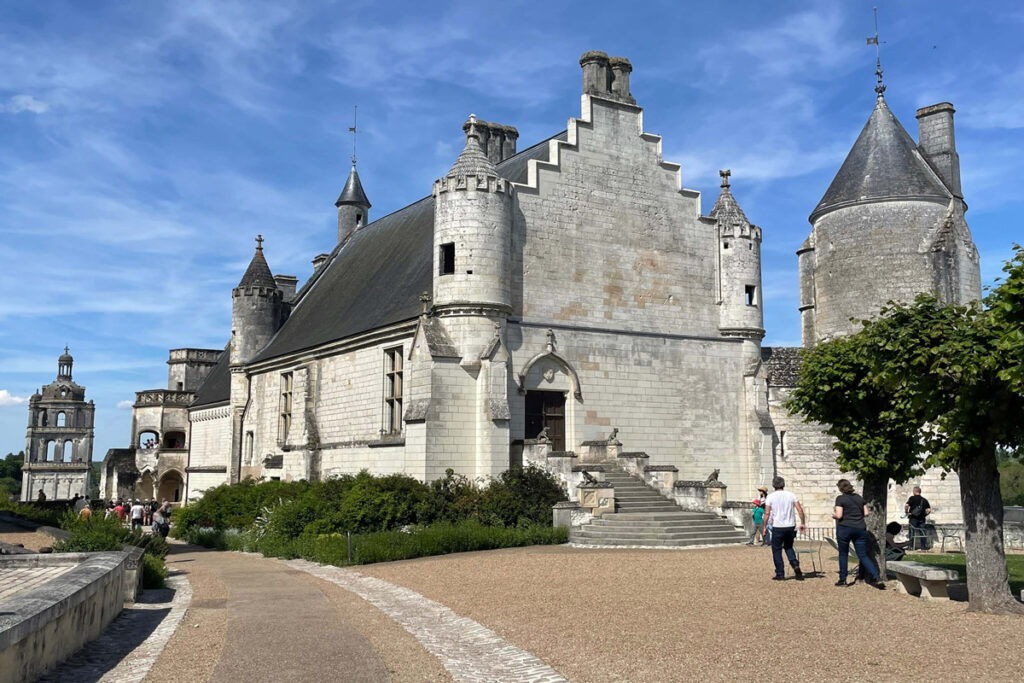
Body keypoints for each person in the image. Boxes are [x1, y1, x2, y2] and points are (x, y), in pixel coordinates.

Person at [833, 479, 885, 589]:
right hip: (860, 528)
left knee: (843, 554)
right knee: (862, 555)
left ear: (841, 488)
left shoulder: (840, 498)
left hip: (845, 528)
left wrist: (833, 515)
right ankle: (876, 576)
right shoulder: (859, 498)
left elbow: (839, 515)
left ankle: (843, 579)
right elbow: (866, 513)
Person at [764, 476, 806, 580]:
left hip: (778, 526)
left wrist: (764, 526)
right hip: (790, 526)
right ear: (783, 484)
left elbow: (767, 513)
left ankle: (780, 573)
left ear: (774, 485)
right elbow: (800, 510)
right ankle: (795, 564)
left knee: (777, 550)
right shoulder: (791, 495)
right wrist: (802, 523)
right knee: (788, 547)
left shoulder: (770, 497)